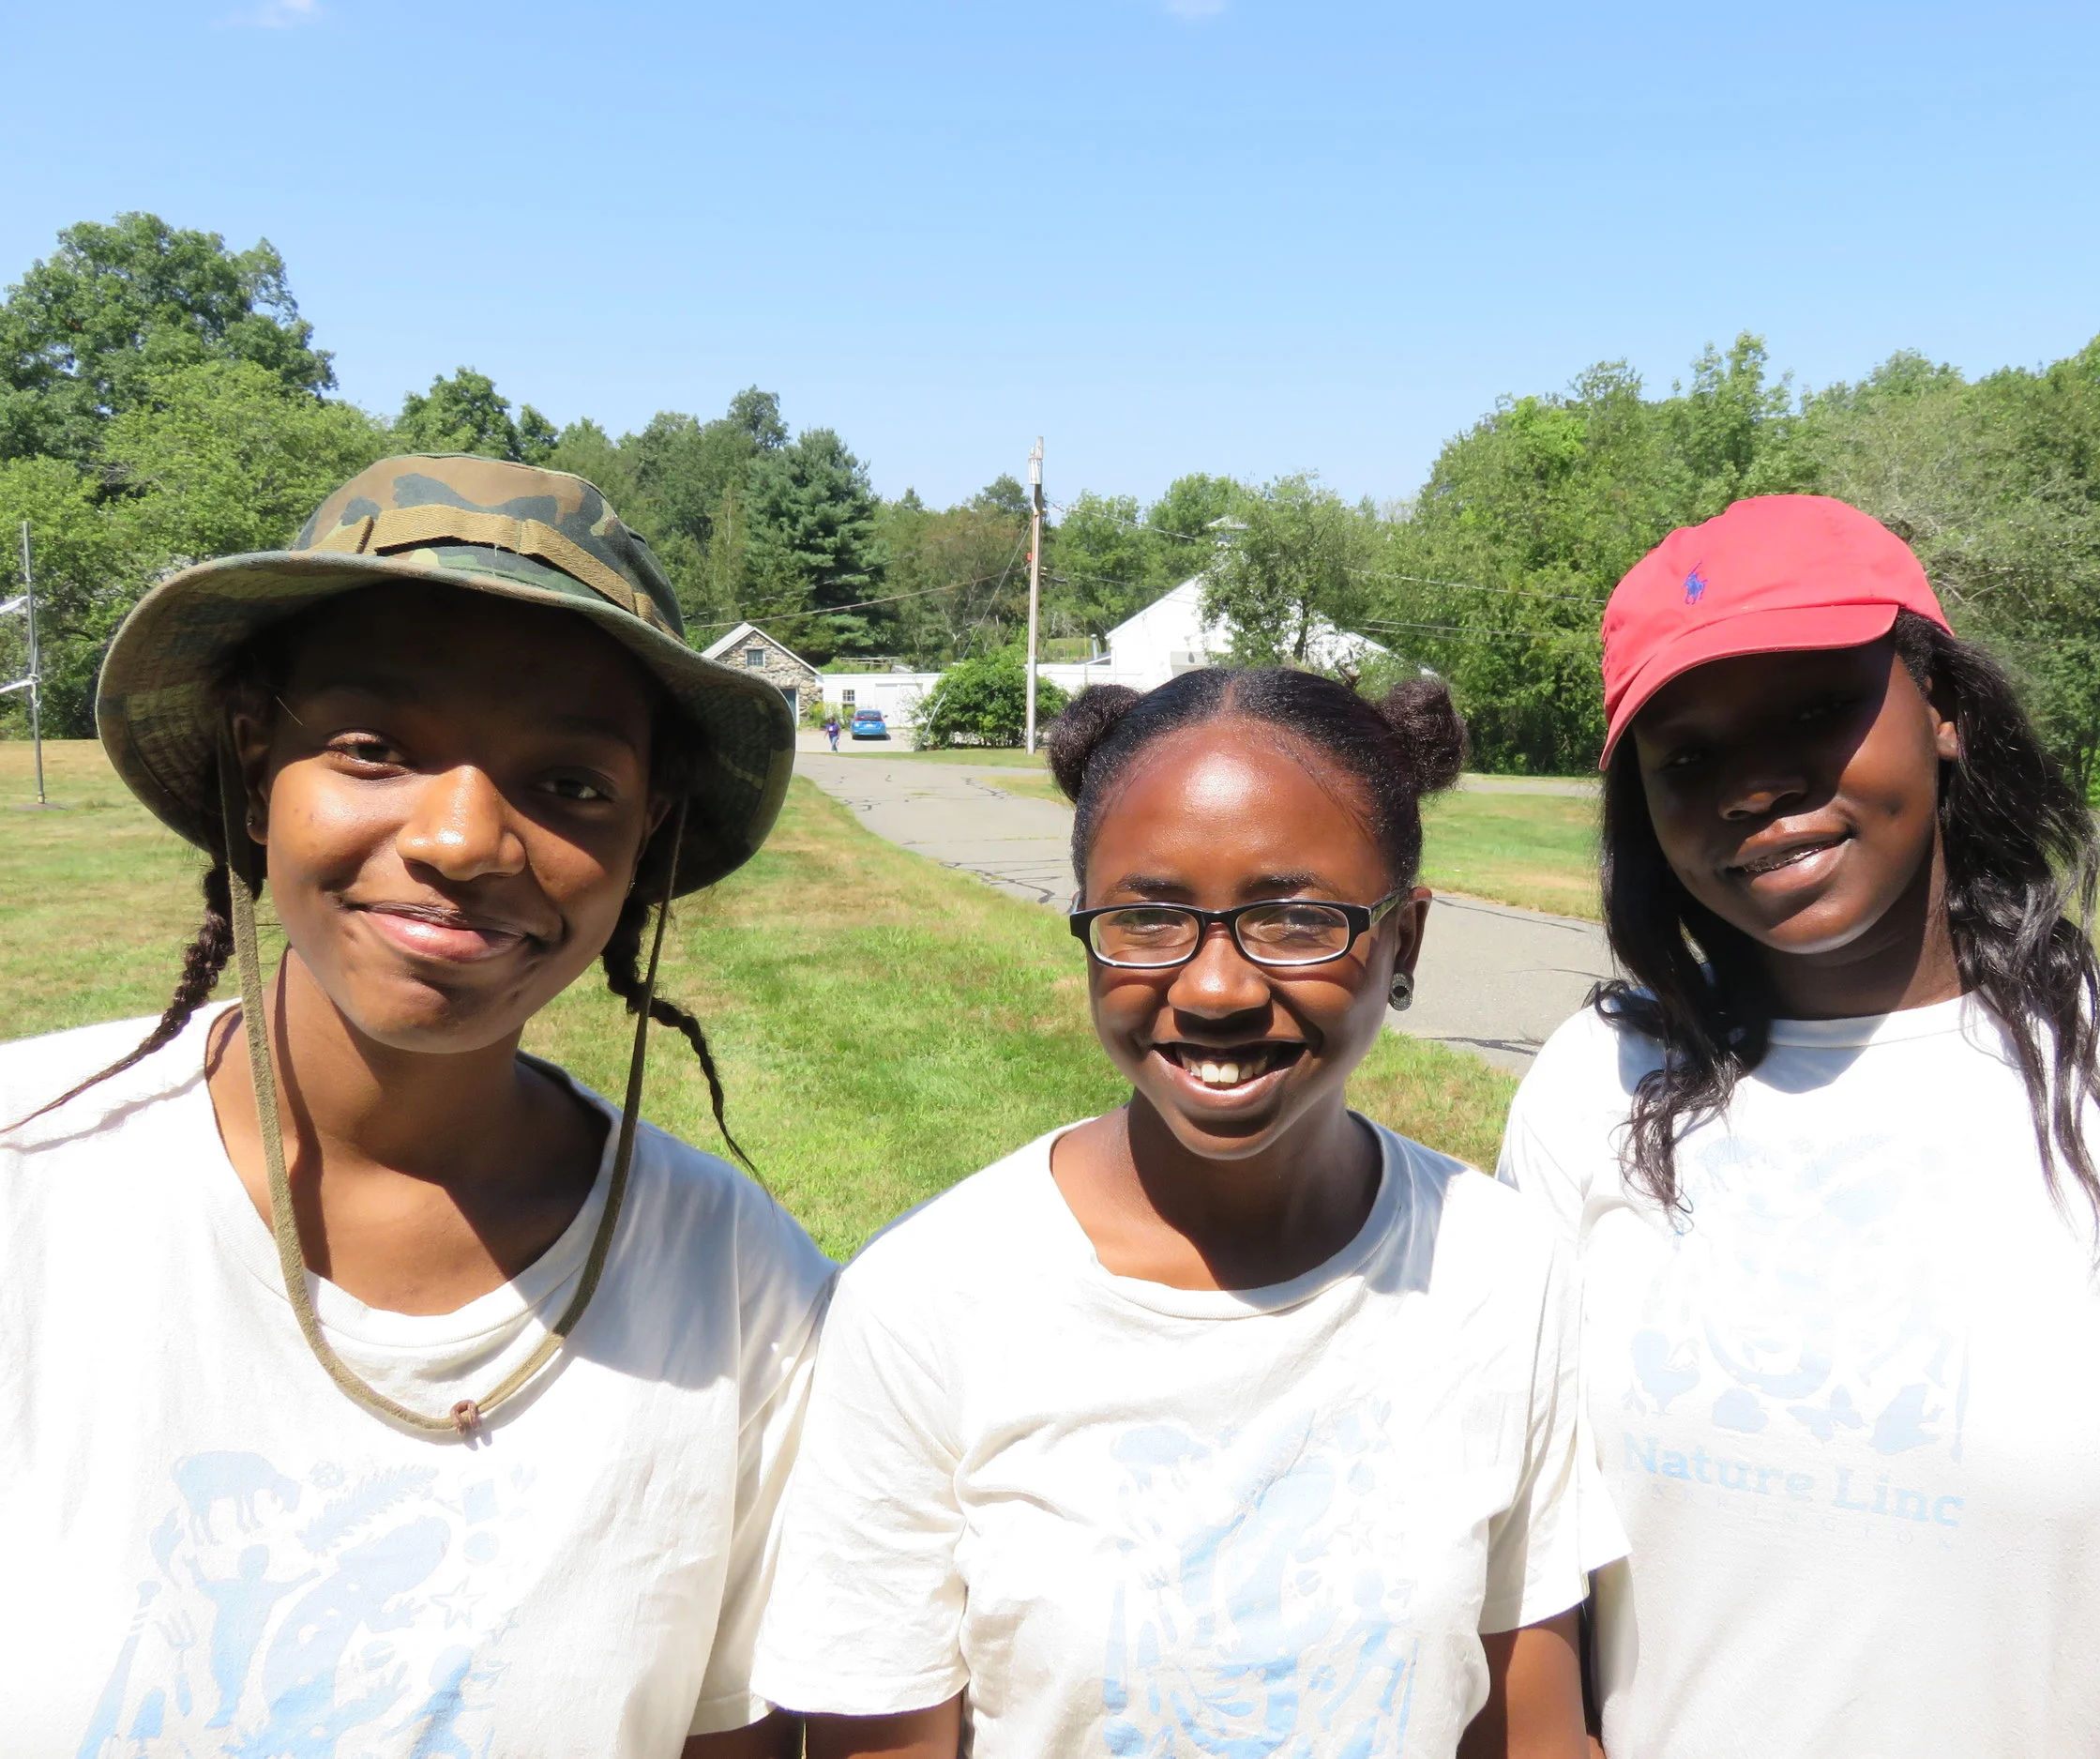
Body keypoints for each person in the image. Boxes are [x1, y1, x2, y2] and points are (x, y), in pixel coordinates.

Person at [0, 457, 832, 1757]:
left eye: (570, 784)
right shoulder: (30, 1174)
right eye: (374, 748)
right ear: (253, 753)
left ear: (646, 830)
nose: (460, 839)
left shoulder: (742, 1296)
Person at [1498, 494, 2100, 1757]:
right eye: (1688, 755)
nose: (1757, 785)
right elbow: (1529, 1583)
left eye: (1813, 710)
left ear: (1940, 705)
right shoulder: (1594, 1081)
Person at [756, 668, 1602, 1758]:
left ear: (1407, 942)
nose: (1214, 990)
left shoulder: (1500, 1268)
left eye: (1297, 920)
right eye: (1149, 919)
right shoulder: (928, 1302)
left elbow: (1532, 1727)